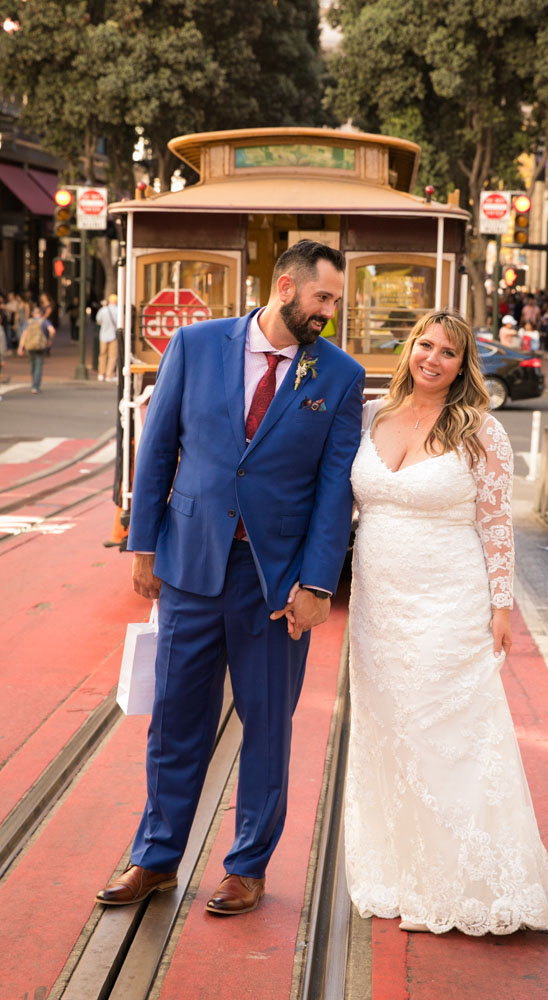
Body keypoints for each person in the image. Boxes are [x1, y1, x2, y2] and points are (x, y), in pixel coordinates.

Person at [96, 240, 365, 915]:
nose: (328, 313)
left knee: (266, 723)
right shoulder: (194, 345)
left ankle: (247, 865)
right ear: (284, 287)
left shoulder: (338, 375)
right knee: (175, 720)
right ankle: (155, 858)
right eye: (321, 299)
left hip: (274, 581)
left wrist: (318, 585)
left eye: (335, 301)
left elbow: (335, 488)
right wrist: (143, 545)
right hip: (191, 563)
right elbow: (158, 448)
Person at [345, 308, 548, 938]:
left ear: (463, 365)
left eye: (447, 352)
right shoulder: (372, 416)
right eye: (423, 345)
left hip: (448, 600)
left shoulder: (480, 431)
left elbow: (496, 524)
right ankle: (405, 871)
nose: (432, 358)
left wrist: (502, 605)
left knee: (447, 731)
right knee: (390, 730)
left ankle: (470, 883)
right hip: (378, 606)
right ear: (408, 350)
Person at [18, 305, 55, 393]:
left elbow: (24, 335)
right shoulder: (44, 321)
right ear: (41, 314)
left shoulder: (28, 322)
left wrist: (20, 347)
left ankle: (33, 383)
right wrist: (50, 340)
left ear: (33, 314)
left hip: (30, 346)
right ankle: (36, 386)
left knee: (33, 364)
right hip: (41, 346)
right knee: (39, 365)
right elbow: (52, 331)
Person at [96, 294, 119, 381]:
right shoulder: (118, 311)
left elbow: (98, 320)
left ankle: (101, 374)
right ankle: (109, 375)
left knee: (102, 355)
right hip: (113, 335)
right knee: (112, 356)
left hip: (103, 335)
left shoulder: (103, 310)